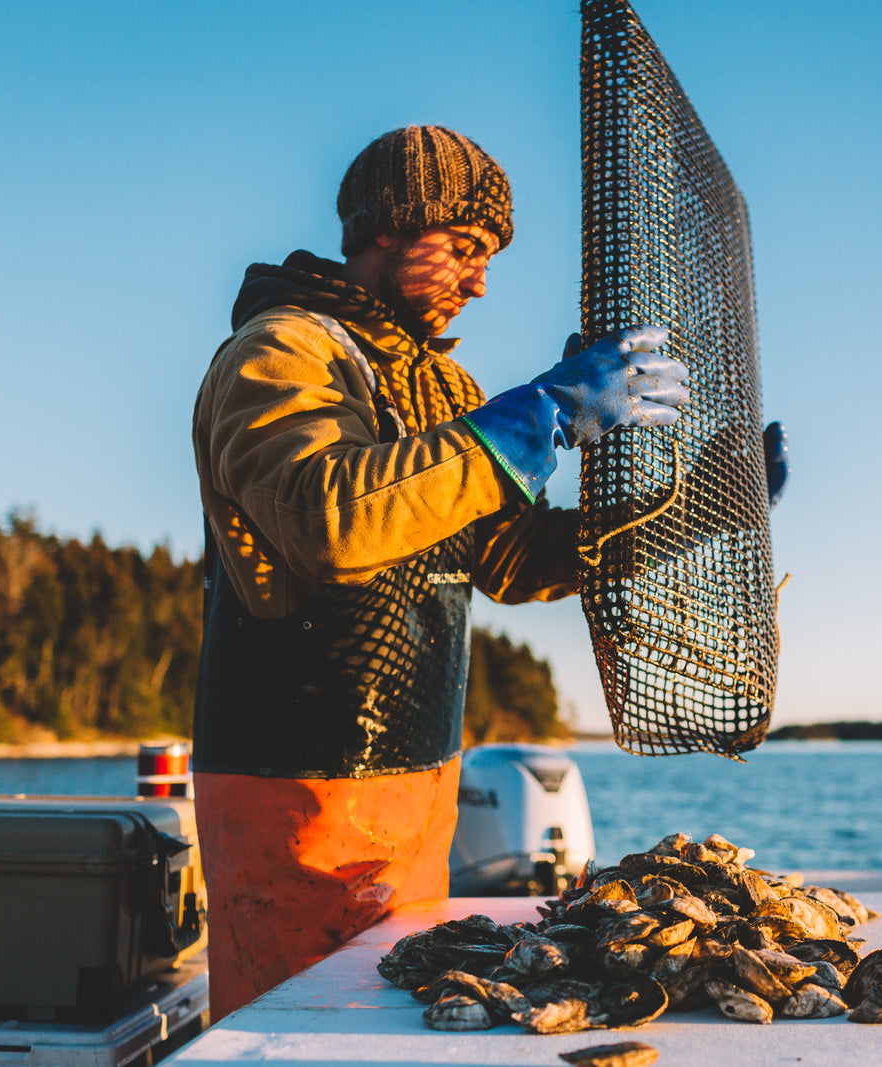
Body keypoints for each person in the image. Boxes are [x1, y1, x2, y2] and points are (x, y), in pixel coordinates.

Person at [189, 125, 694, 1018]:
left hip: (420, 806)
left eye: (489, 255)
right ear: (386, 228)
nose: (481, 279)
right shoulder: (283, 350)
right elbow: (326, 516)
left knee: (395, 1029)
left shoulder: (441, 390)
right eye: (463, 247)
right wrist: (536, 418)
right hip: (294, 811)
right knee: (300, 1038)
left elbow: (513, 556)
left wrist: (690, 515)